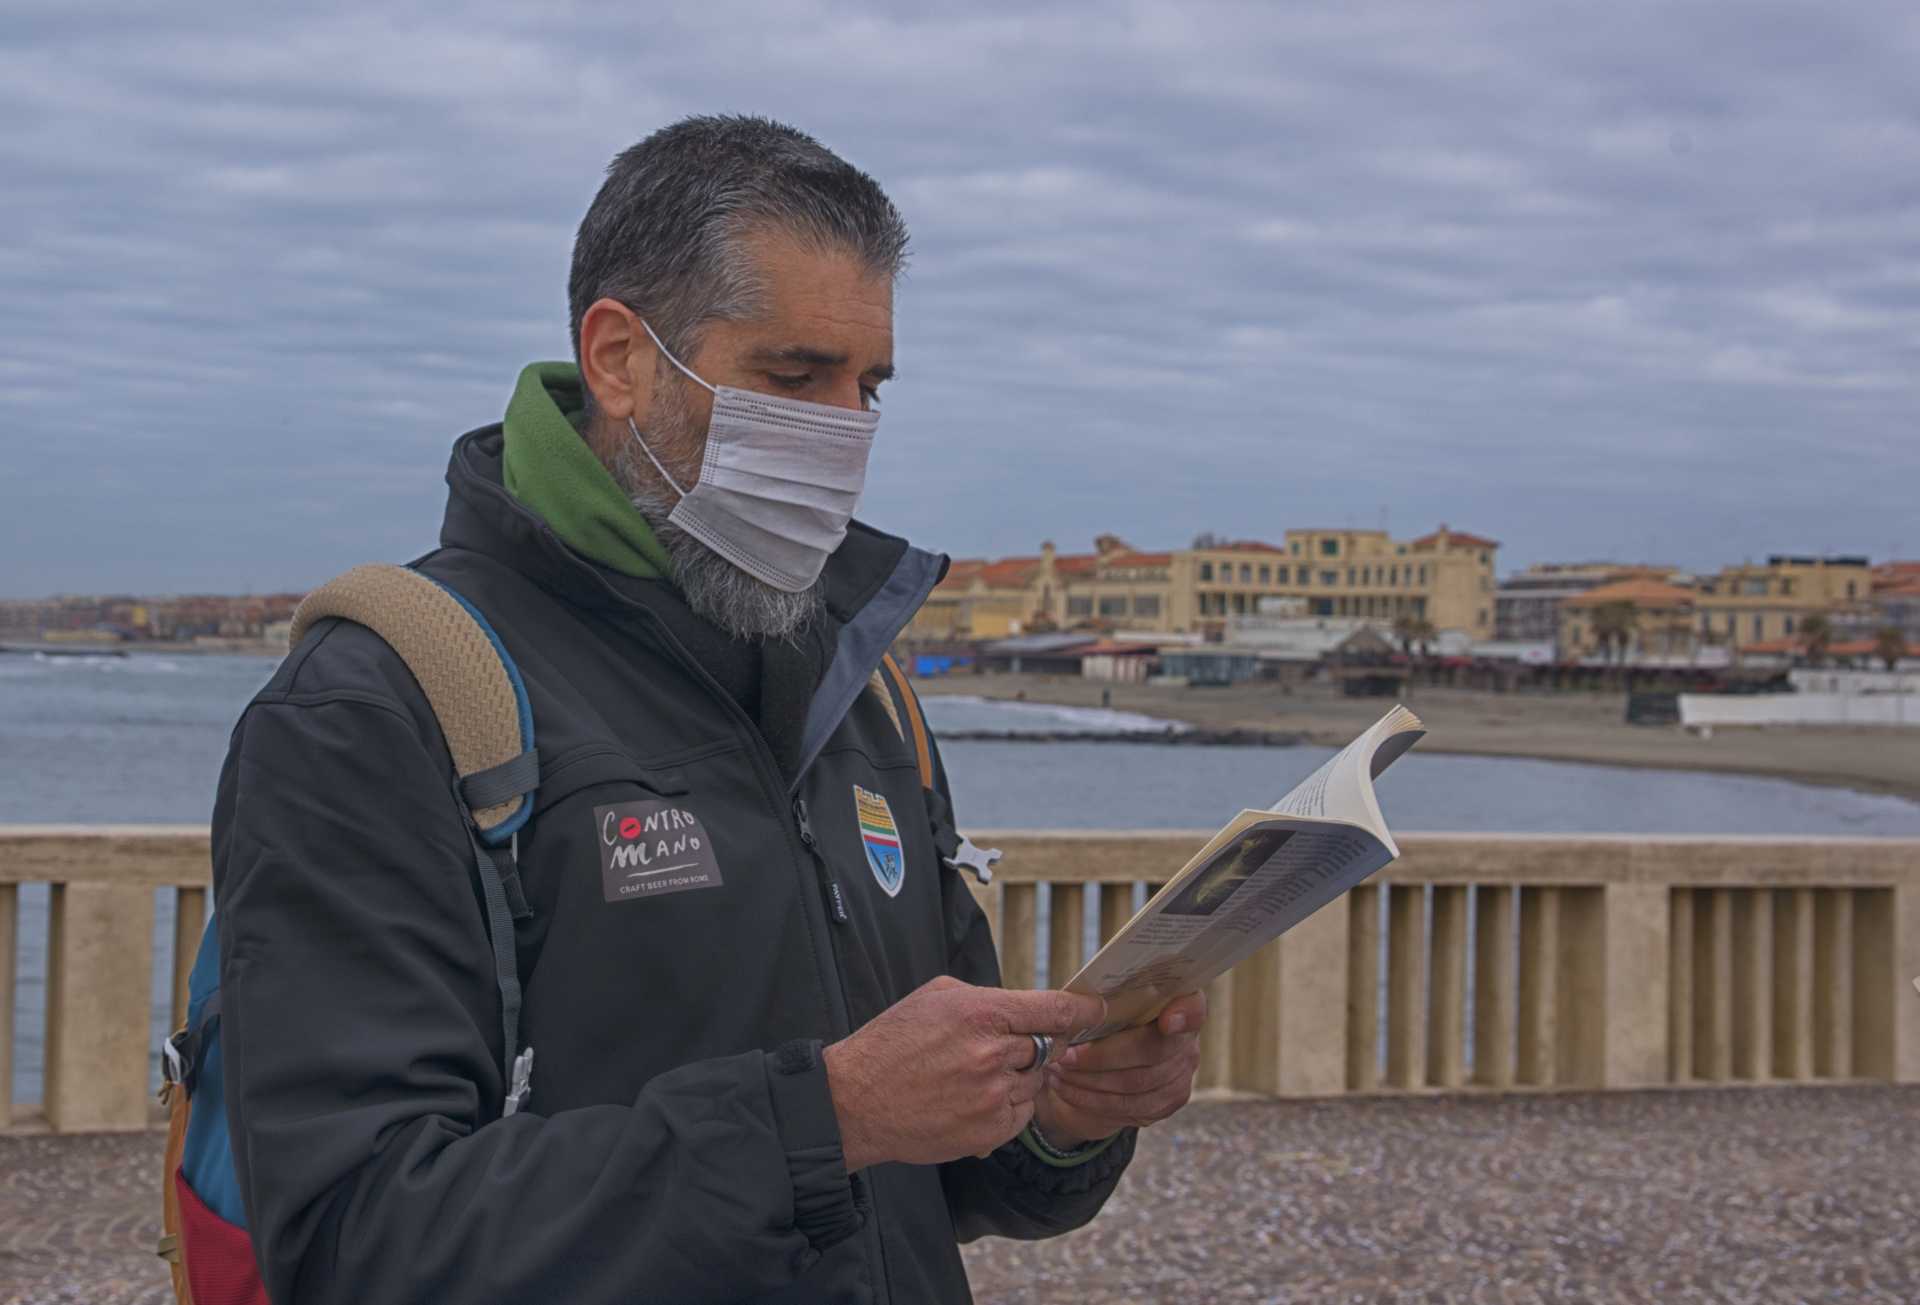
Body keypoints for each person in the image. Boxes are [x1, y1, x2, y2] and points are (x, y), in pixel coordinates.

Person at [212, 114, 1206, 1305]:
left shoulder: (859, 684)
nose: (844, 432)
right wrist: (822, 1121)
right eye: (793, 377)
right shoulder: (378, 706)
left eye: (869, 386)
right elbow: (352, 1243)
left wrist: (1060, 1121)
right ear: (618, 359)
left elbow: (930, 1182)